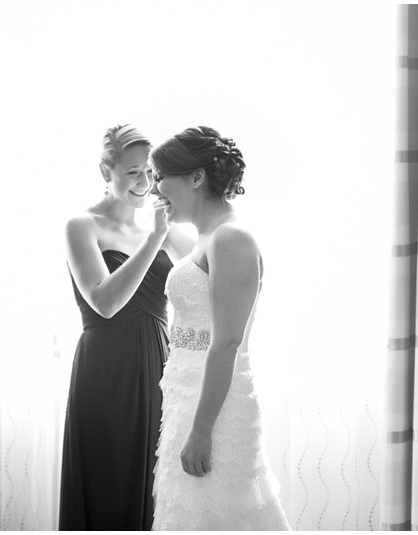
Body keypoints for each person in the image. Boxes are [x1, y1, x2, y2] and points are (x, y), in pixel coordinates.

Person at [148, 126, 290, 530]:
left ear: (196, 177)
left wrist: (201, 430)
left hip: (216, 411)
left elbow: (226, 342)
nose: (155, 188)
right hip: (186, 398)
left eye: (161, 177)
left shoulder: (231, 238)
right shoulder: (205, 238)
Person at [59, 124, 193, 530]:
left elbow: (211, 263)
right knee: (108, 482)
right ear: (106, 171)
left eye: (151, 173)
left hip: (159, 365)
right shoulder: (83, 225)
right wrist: (155, 238)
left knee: (154, 486)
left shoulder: (164, 228)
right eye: (133, 172)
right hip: (105, 369)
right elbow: (104, 303)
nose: (145, 182)